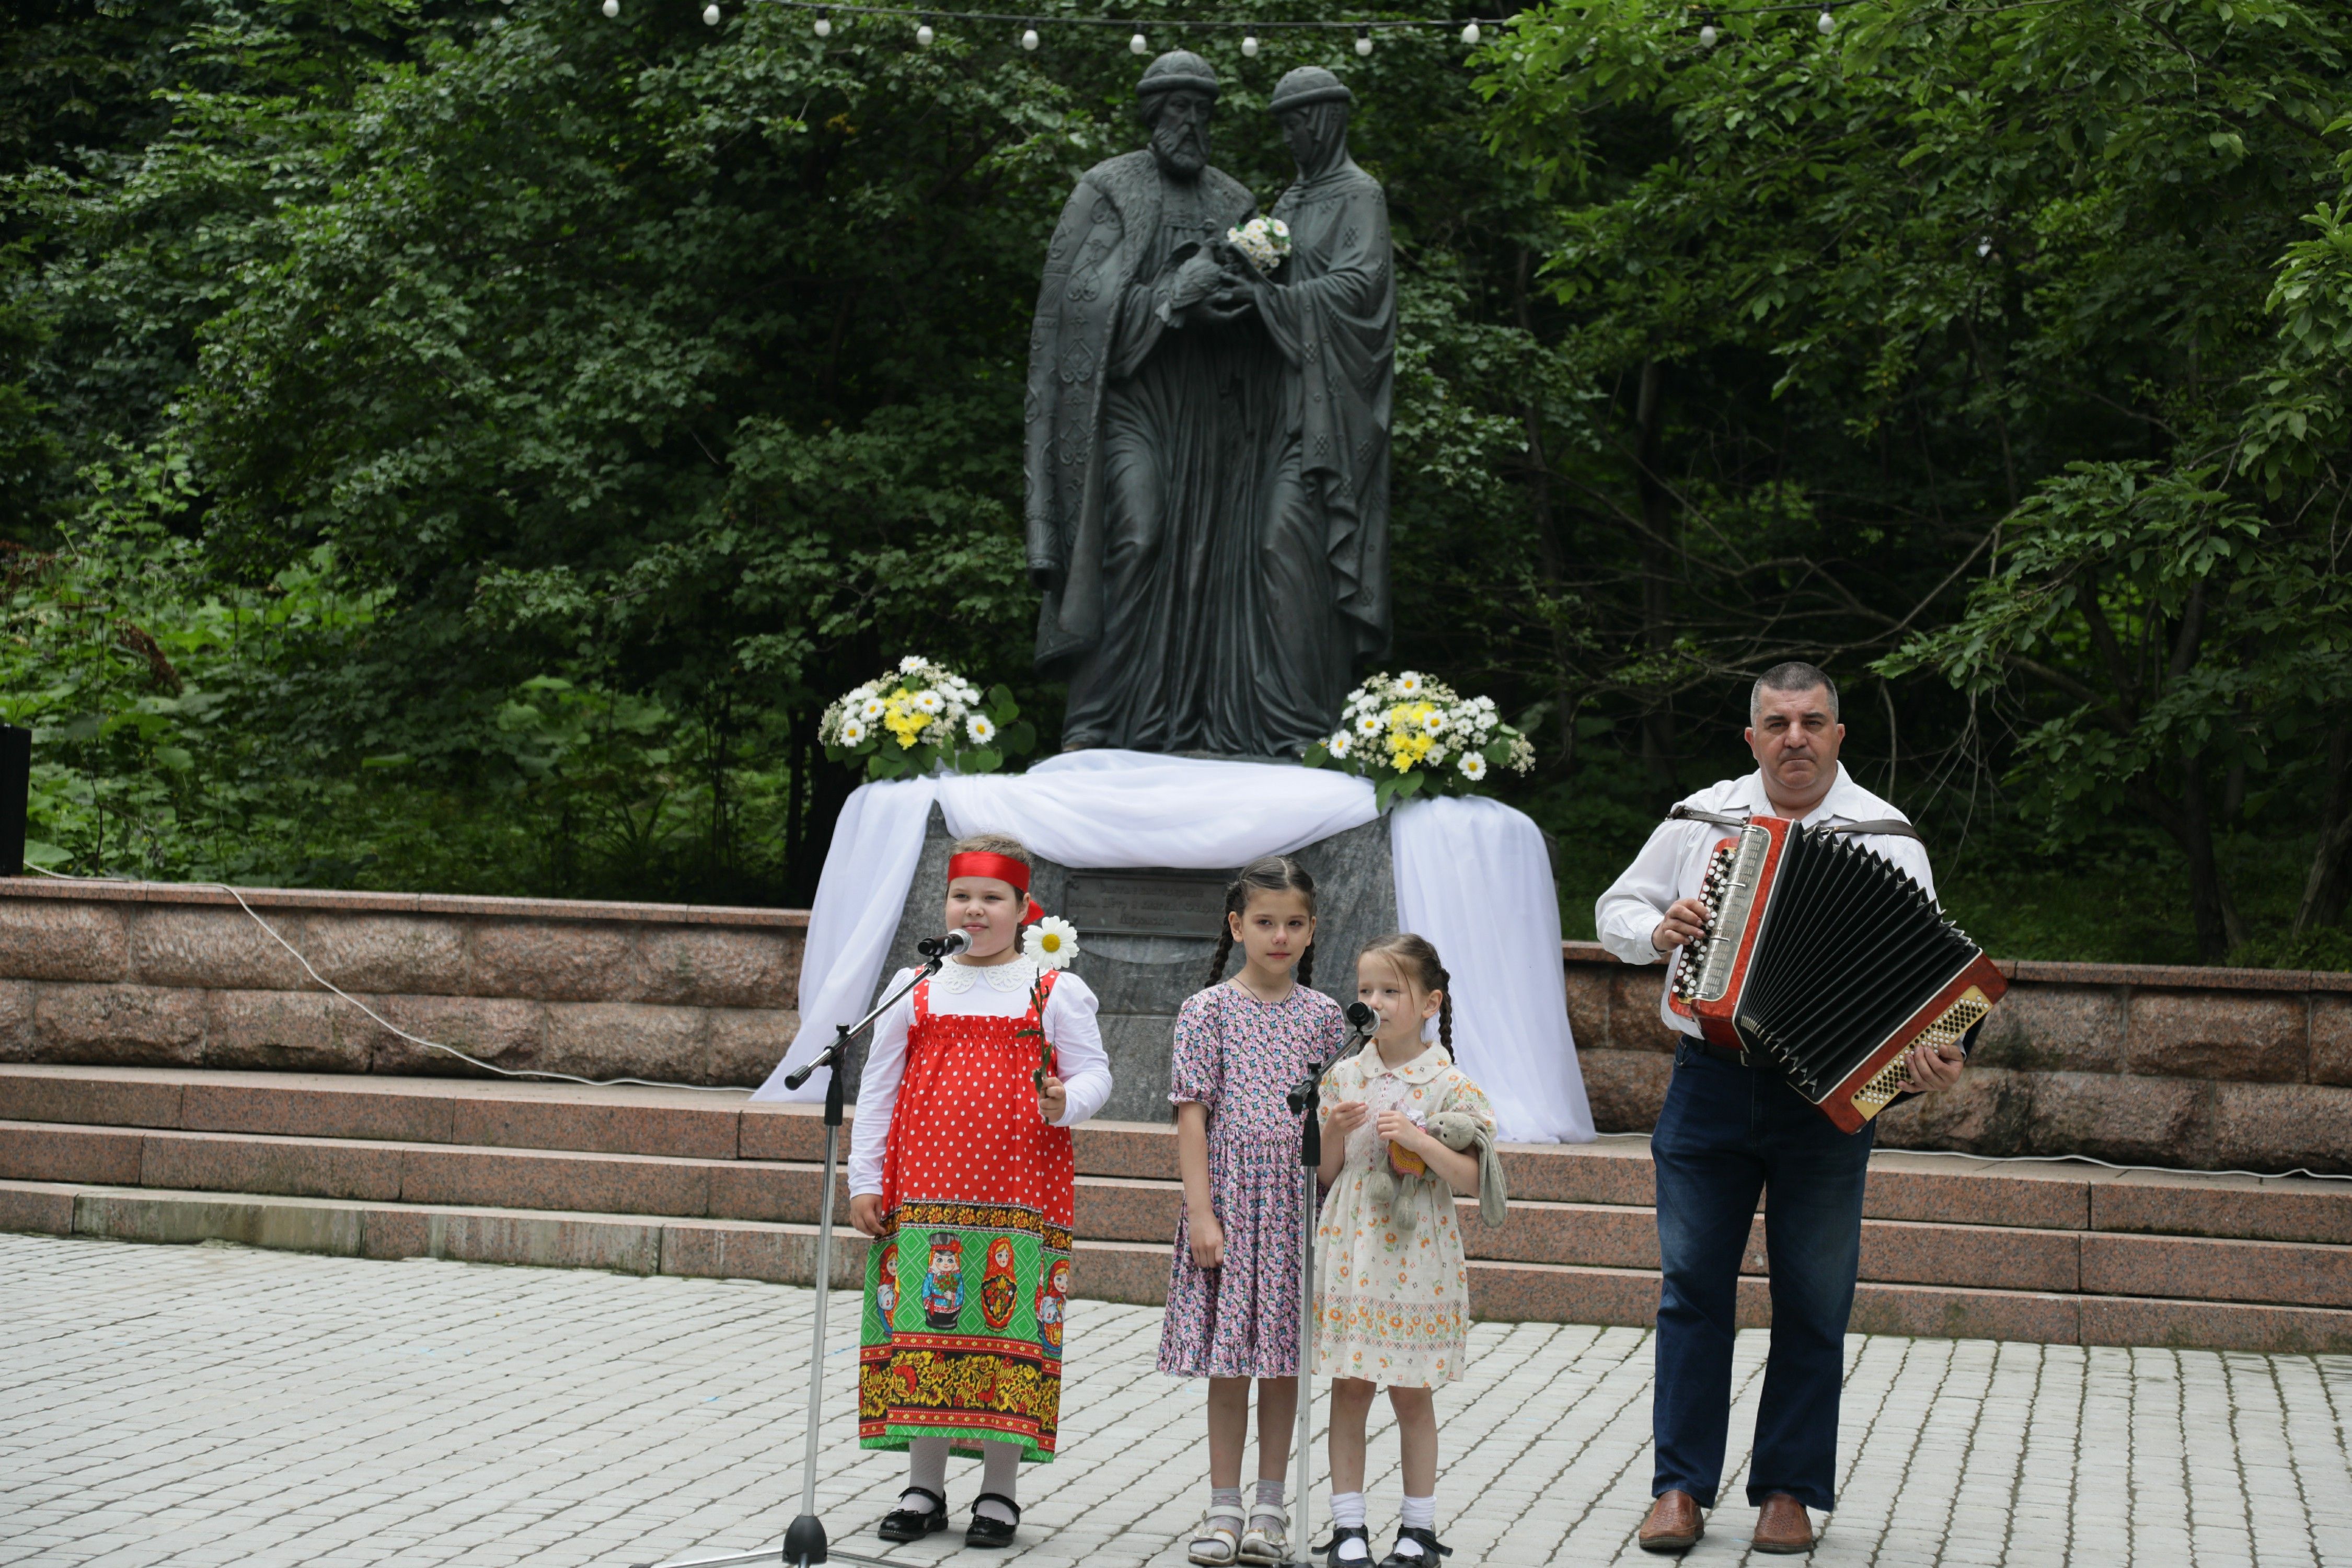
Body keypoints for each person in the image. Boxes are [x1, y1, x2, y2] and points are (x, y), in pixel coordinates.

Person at [1594, 661, 1969, 1557]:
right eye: (1776, 722)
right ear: (1752, 737)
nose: (1794, 737)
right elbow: (1616, 906)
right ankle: (1680, 1488)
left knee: (1814, 1296)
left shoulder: (1887, 836)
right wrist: (1657, 932)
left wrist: (1928, 1062)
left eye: (1811, 721)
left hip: (1825, 1095)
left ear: (1839, 735)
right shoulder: (1701, 818)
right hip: (1709, 1080)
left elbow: (1931, 984)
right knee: (1691, 1289)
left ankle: (1790, 1492)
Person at [848, 833, 1114, 1549]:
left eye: (992, 898)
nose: (976, 909)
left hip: (1020, 1196)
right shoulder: (918, 985)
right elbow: (878, 1089)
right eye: (963, 896)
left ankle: (999, 1493)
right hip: (927, 1193)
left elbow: (1096, 1073)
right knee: (924, 1328)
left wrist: (1066, 1101)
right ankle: (922, 1486)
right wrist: (865, 1178)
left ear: (1024, 908)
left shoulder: (1054, 987)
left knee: (1009, 1329)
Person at [1021, 50, 1289, 755]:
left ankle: (1184, 721)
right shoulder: (1106, 189)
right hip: (1129, 405)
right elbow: (1077, 309)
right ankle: (1097, 720)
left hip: (1207, 410)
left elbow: (1270, 309)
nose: (1192, 124)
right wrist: (1173, 296)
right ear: (1152, 115)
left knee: (1201, 554)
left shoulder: (1236, 203)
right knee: (1139, 536)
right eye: (1179, 109)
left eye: (1203, 111)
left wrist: (1235, 305)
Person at [1162, 856, 1345, 1566]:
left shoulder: (1327, 1018)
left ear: (1311, 930)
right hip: (1232, 1200)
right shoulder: (1207, 1009)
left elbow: (1330, 1131)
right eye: (1265, 922)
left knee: (1283, 1357)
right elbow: (1191, 1119)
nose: (1279, 935)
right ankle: (1224, 1505)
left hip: (1299, 1205)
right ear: (1237, 926)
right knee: (1230, 1359)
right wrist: (1201, 1213)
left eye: (1294, 923)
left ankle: (1272, 1504)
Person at [1224, 66, 1395, 753]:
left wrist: (1275, 297)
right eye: (1283, 126)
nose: (1290, 137)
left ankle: (1305, 724)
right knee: (1259, 554)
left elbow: (1361, 290)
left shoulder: (1361, 195)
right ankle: (1267, 720)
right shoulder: (1289, 197)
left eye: (1298, 122)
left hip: (1330, 413)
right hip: (1278, 408)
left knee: (1287, 543)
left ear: (1327, 119)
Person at [1312, 935, 1495, 1568]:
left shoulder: (1448, 1082)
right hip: (1354, 1243)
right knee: (1351, 1385)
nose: (1376, 1003)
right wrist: (1334, 1130)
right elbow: (1330, 1174)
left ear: (1429, 1002)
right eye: (1366, 991)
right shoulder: (1344, 1072)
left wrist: (1418, 1138)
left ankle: (1418, 1528)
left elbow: (1472, 1178)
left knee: (1412, 1391)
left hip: (1417, 1250)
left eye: (1391, 992)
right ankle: (1348, 1527)